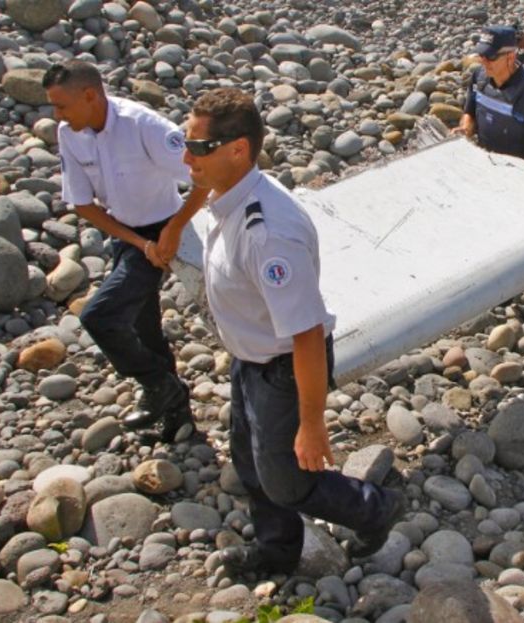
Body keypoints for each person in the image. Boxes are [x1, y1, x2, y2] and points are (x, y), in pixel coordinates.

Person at [176, 87, 406, 575]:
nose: (185, 155)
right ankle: (278, 551)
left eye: (197, 147)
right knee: (249, 458)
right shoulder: (231, 194)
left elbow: (304, 335)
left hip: (283, 367)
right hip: (251, 358)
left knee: (287, 481)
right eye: (185, 141)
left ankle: (376, 509)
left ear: (237, 150)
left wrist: (312, 422)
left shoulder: (269, 233)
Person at [44, 60, 210, 442]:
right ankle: (177, 416)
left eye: (62, 106)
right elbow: (83, 204)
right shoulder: (70, 132)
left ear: (90, 95)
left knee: (99, 316)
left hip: (165, 227)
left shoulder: (142, 125)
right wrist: (137, 243)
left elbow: (203, 175)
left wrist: (174, 230)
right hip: (128, 235)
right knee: (142, 325)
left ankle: (159, 386)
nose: (58, 115)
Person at [455, 26, 524, 166]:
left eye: (491, 56)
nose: (484, 62)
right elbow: (469, 113)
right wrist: (466, 130)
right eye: (481, 55)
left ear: (511, 56)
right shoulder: (479, 77)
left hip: (517, 173)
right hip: (485, 163)